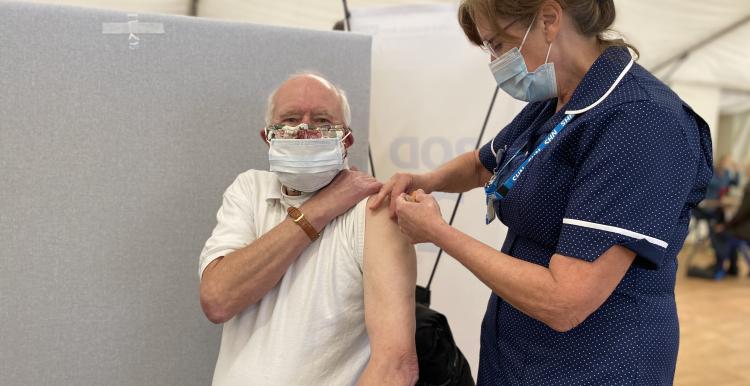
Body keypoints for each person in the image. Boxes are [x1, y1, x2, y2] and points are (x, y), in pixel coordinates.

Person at [370, 0, 712, 384]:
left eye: (500, 44)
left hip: (592, 366)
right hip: (516, 355)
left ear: (549, 19)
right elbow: (484, 164)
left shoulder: (641, 121)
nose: (496, 61)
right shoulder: (561, 101)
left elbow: (565, 301)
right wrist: (427, 180)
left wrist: (438, 233)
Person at [199, 73, 419, 386]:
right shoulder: (249, 190)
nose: (304, 130)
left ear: (346, 141)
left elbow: (396, 367)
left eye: (322, 121)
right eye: (289, 119)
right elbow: (218, 298)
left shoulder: (374, 212)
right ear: (268, 137)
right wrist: (321, 207)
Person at [713, 162, 750, 278]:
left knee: (719, 233)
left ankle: (720, 268)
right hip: (745, 228)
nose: (745, 169)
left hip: (746, 231)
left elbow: (741, 214)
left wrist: (725, 226)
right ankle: (732, 267)